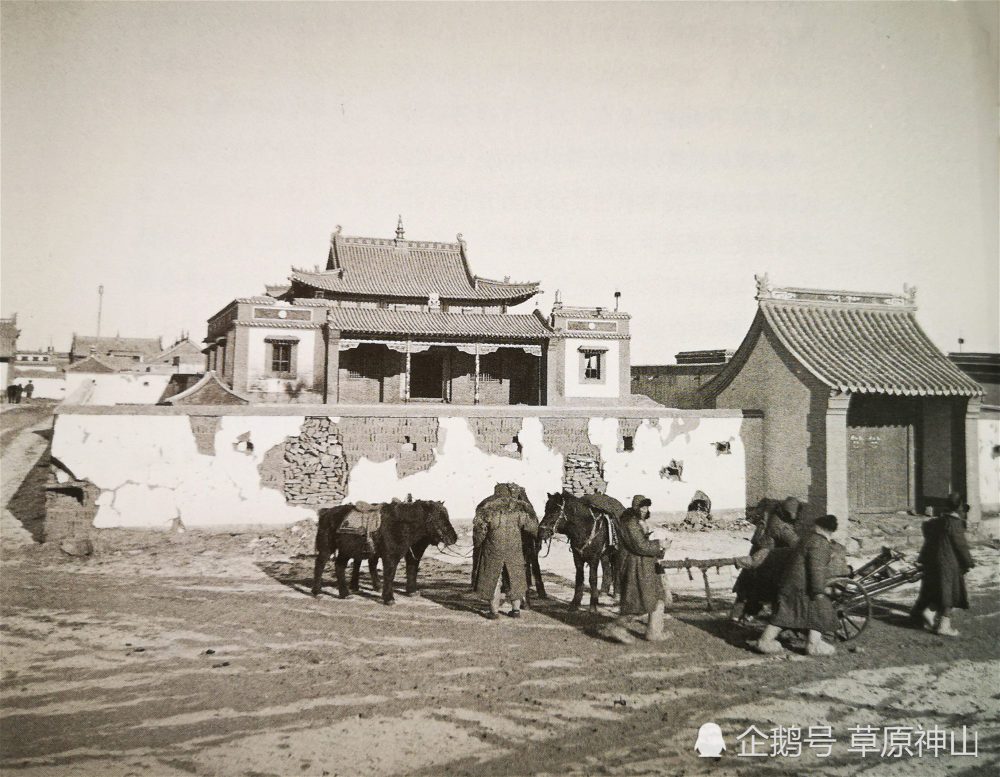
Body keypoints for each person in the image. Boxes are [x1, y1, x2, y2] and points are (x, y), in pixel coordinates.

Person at [752, 514, 840, 656]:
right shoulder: (820, 543)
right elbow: (816, 568)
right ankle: (813, 645)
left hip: (789, 585)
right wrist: (818, 591)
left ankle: (765, 641)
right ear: (830, 530)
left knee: (784, 615)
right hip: (801, 588)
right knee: (820, 609)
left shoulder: (807, 539)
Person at [604, 495, 667, 644]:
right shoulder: (630, 523)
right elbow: (640, 546)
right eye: (642, 507)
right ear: (636, 508)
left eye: (647, 507)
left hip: (645, 565)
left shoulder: (637, 522)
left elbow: (643, 544)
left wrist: (659, 547)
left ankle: (654, 632)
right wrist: (660, 544)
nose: (645, 510)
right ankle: (616, 627)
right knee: (637, 601)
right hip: (635, 567)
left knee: (657, 597)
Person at [910, 492, 975, 637]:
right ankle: (944, 627)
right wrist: (969, 562)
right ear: (959, 508)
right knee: (949, 594)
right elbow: (961, 546)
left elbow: (926, 530)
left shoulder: (939, 521)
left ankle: (928, 613)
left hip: (935, 561)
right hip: (949, 564)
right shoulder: (955, 523)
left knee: (938, 591)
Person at [730, 497, 802, 622]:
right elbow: (796, 543)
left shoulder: (770, 518)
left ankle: (739, 616)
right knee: (762, 591)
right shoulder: (780, 527)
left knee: (747, 589)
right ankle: (743, 617)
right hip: (765, 561)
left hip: (757, 556)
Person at [473, 484, 538, 619]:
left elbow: (480, 533)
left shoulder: (488, 511)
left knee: (494, 579)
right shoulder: (519, 511)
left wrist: (478, 545)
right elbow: (533, 528)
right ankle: (515, 611)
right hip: (514, 550)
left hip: (492, 551)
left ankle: (494, 612)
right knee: (515, 578)